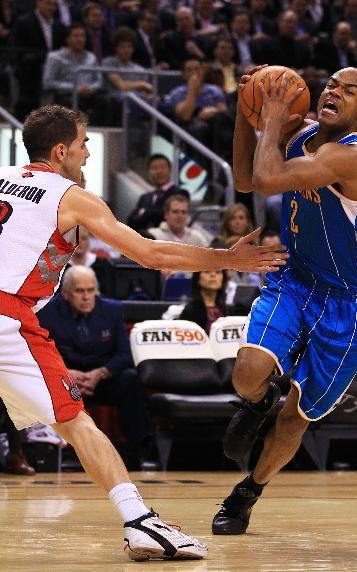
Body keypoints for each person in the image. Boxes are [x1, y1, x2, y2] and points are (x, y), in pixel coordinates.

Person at [0, 104, 286, 559]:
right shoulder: (71, 197)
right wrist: (226, 259)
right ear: (60, 151)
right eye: (82, 144)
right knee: (76, 422)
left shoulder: (3, 176)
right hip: (7, 316)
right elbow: (150, 254)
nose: (88, 154)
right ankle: (140, 523)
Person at [212, 66, 357, 536]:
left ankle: (249, 491)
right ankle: (259, 399)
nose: (334, 92)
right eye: (330, 85)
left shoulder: (352, 157)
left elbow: (267, 180)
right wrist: (244, 109)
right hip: (295, 279)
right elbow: (247, 180)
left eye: (348, 92)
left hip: (349, 303)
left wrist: (267, 117)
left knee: (297, 417)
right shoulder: (298, 134)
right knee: (247, 372)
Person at [38, 266, 155, 469]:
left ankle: (142, 451)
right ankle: (43, 453)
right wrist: (66, 374)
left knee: (130, 379)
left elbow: (124, 355)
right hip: (63, 380)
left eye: (91, 290)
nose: (86, 297)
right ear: (65, 293)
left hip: (101, 380)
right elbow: (41, 354)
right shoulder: (47, 312)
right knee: (40, 383)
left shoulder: (112, 310)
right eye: (79, 291)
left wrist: (100, 373)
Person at [126, 153, 187, 232]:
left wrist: (145, 212)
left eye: (162, 167)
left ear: (170, 170)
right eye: (154, 168)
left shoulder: (180, 193)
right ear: (149, 172)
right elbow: (131, 220)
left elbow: (166, 215)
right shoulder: (145, 197)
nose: (158, 171)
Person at [148, 193, 213, 247]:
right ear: (166, 214)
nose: (180, 216)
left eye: (183, 212)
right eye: (175, 211)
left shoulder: (197, 238)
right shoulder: (153, 236)